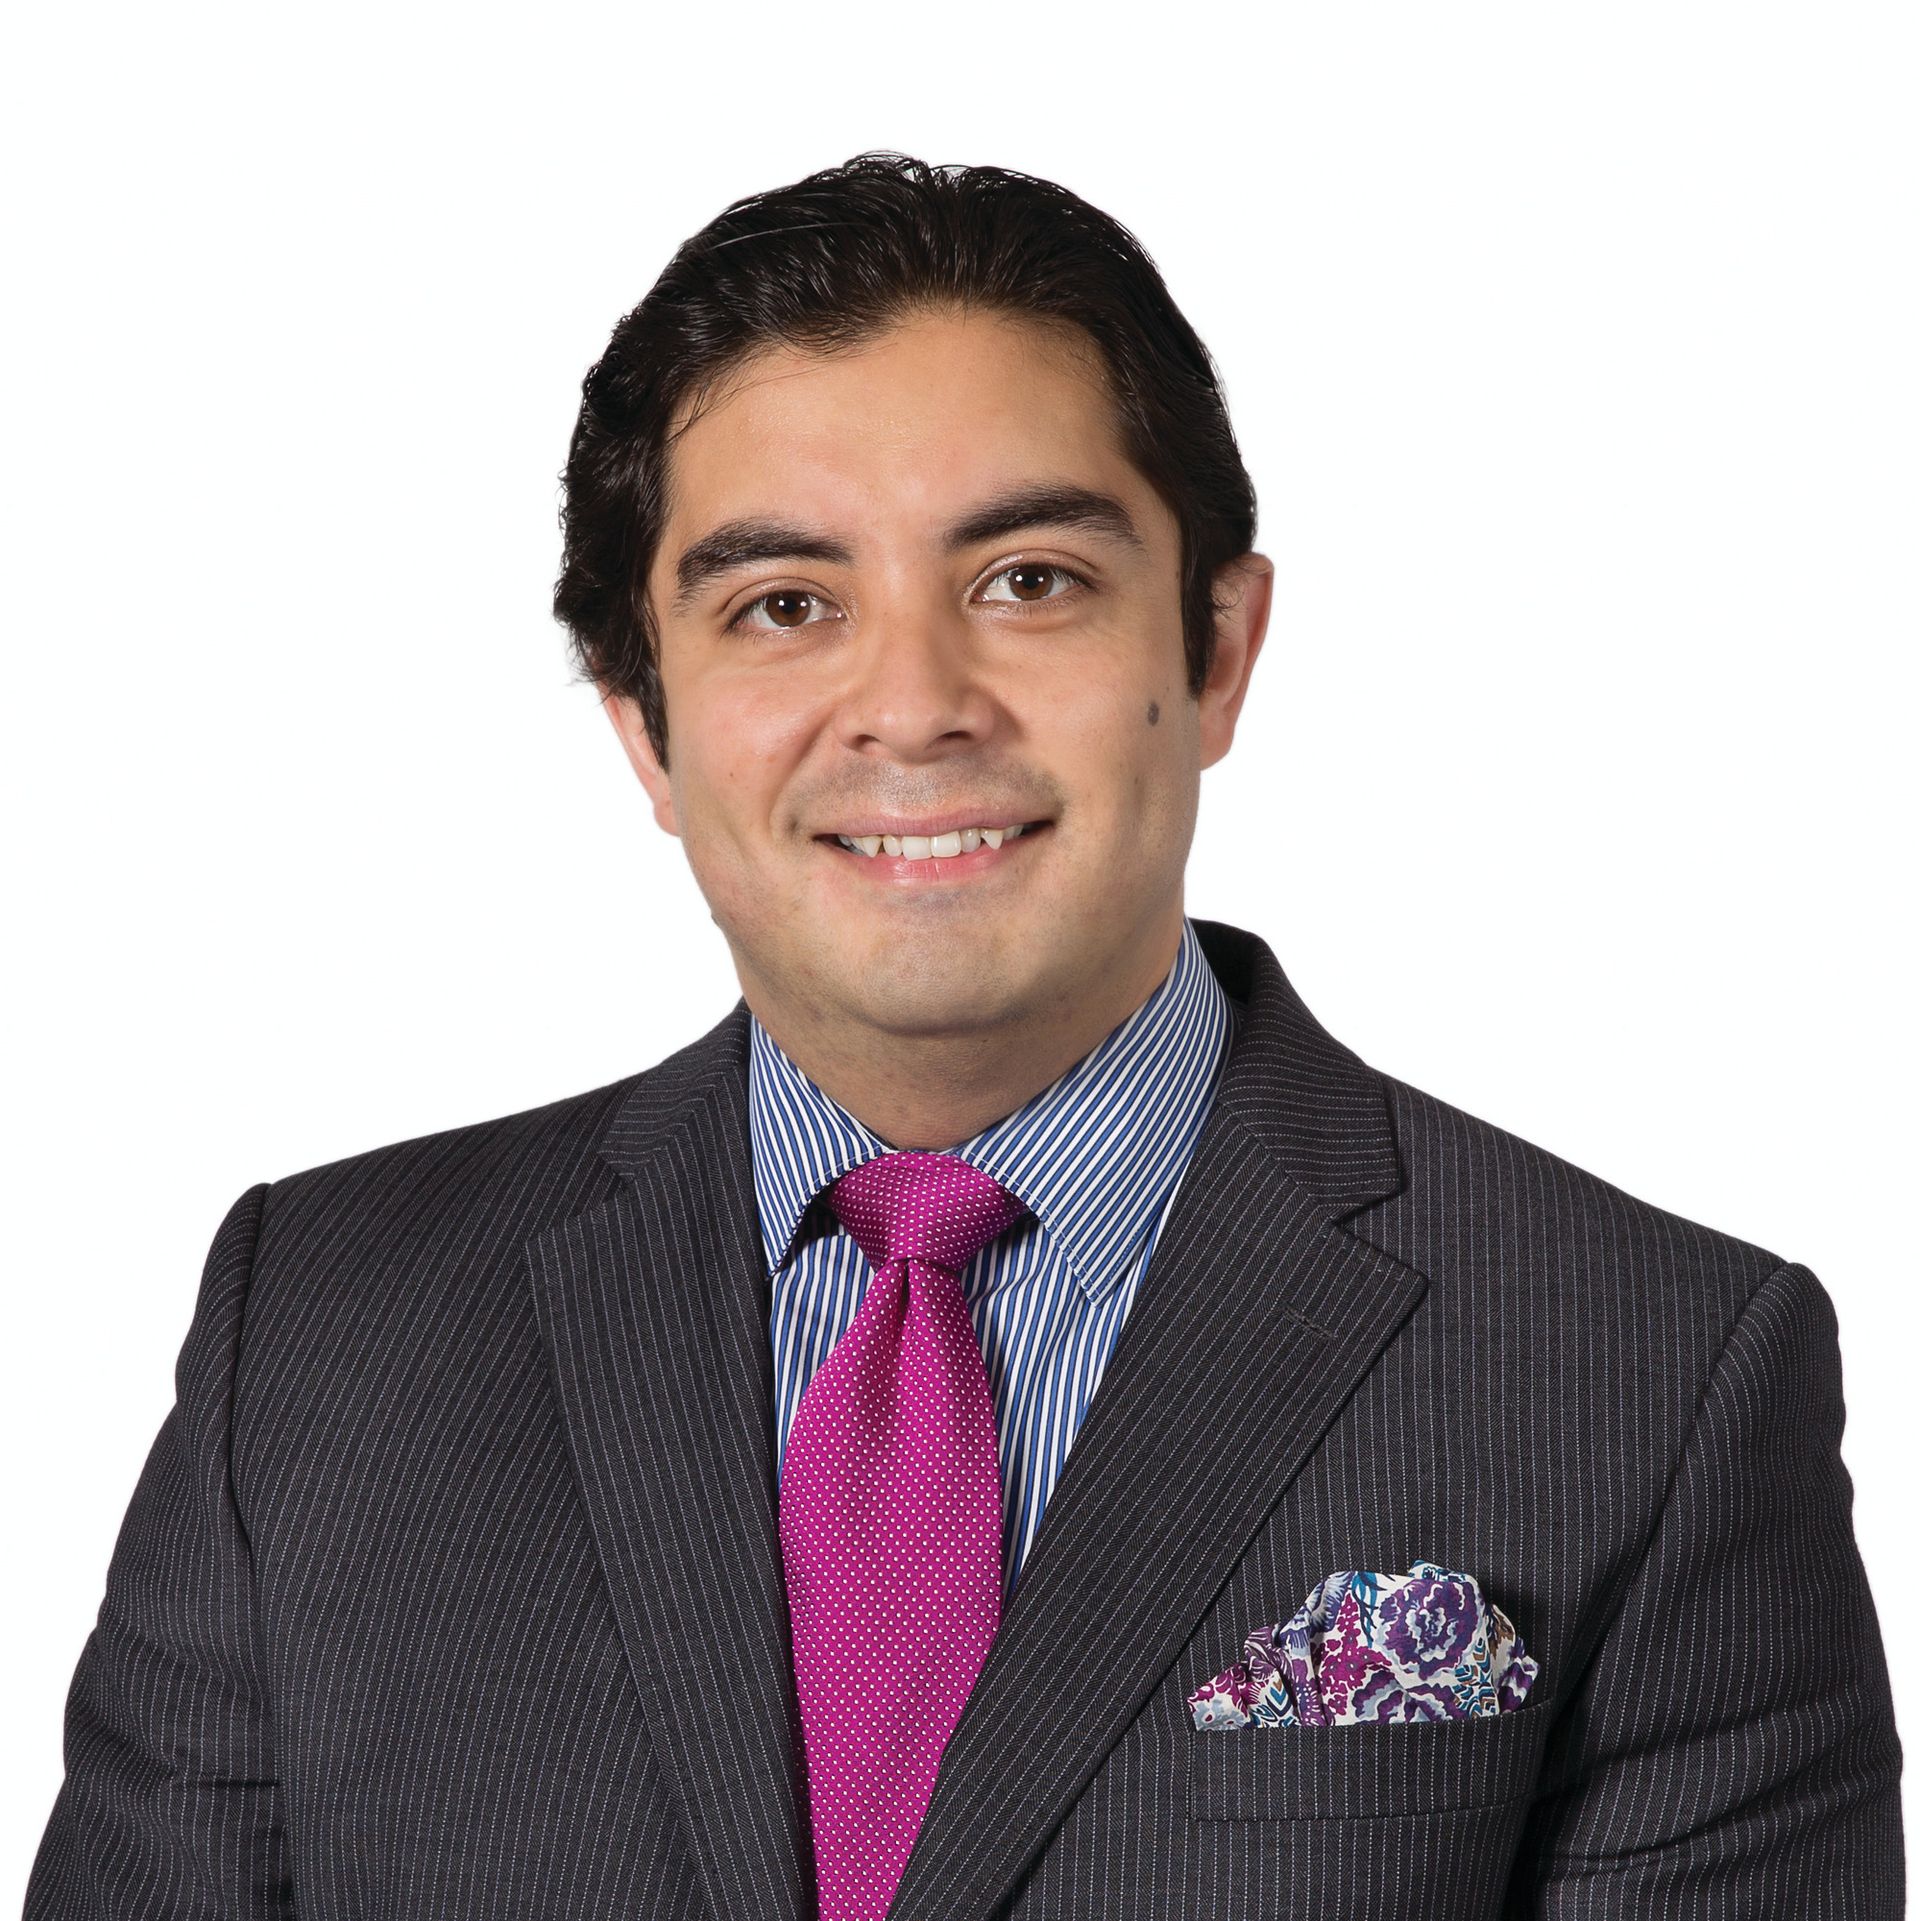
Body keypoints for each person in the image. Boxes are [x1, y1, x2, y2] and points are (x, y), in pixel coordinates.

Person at [27, 151, 1903, 1921]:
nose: (914, 704)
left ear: (1218, 650)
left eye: (1029, 582)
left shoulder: (1652, 1372)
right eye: (784, 604)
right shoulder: (317, 1336)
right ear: (644, 728)